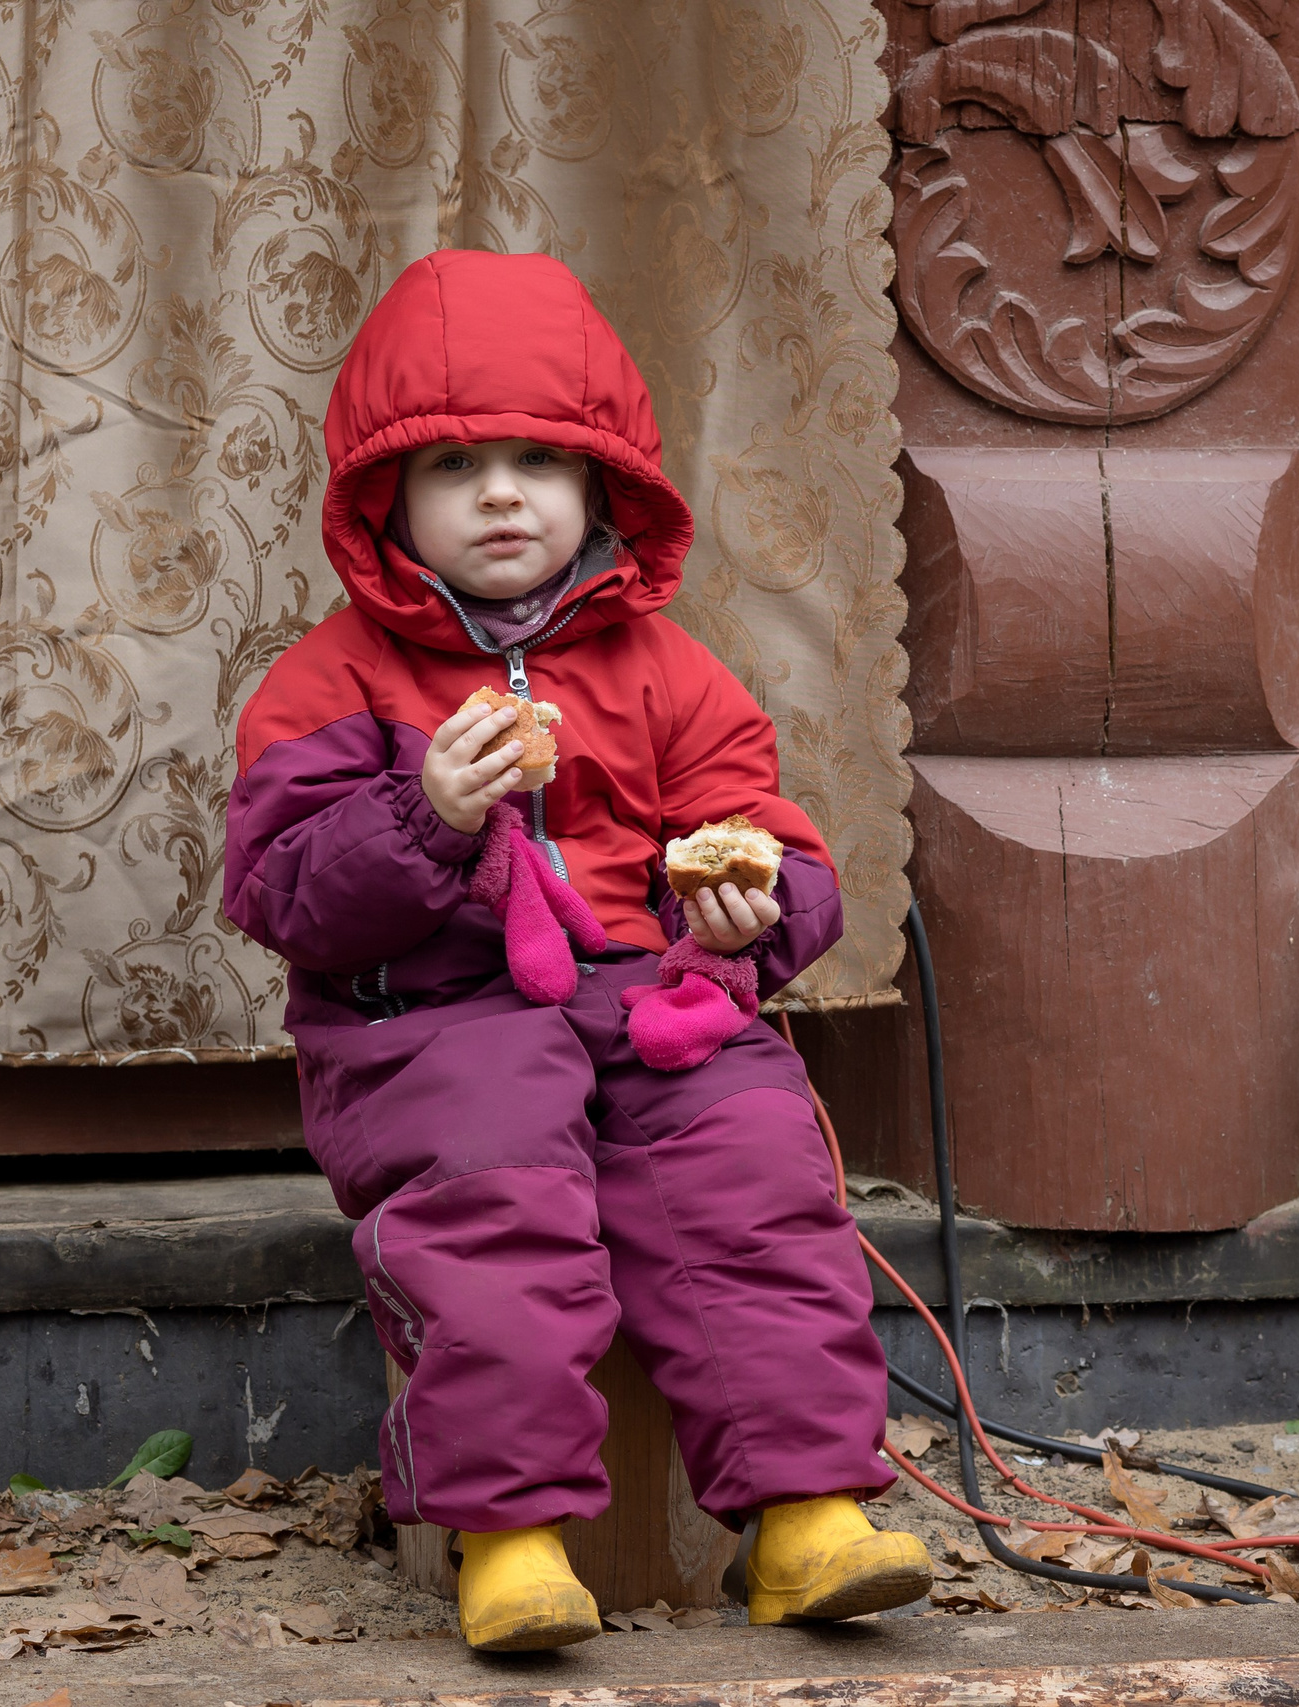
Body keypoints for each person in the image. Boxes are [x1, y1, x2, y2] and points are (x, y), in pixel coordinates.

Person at [223, 250, 929, 1650]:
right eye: (456, 464)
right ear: (388, 503)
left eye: (541, 461)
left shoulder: (668, 667)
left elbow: (760, 829)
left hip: (645, 1003)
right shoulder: (333, 682)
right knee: (494, 1201)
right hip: (424, 1019)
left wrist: (749, 909)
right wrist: (419, 815)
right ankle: (511, 1535)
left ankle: (803, 1516)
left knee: (754, 1172)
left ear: (605, 489)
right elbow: (280, 889)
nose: (501, 493)